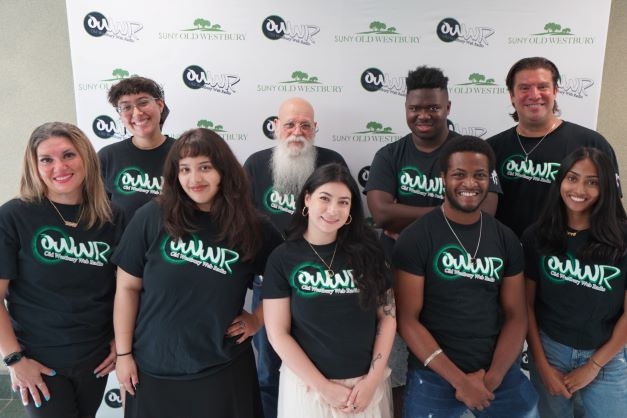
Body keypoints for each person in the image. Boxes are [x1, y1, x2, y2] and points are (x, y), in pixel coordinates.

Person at [112, 128, 282, 418]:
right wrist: (124, 354)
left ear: (223, 171)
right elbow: (127, 289)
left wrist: (257, 319)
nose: (195, 179)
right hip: (154, 365)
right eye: (185, 169)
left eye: (205, 167)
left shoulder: (252, 226)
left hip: (222, 367)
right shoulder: (152, 217)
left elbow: (285, 282)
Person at [364, 65, 501, 416]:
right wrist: (450, 213)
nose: (423, 115)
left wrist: (406, 215)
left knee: (449, 369)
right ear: (406, 109)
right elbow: (380, 213)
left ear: (448, 107)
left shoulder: (470, 153)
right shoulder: (390, 156)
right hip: (396, 279)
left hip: (457, 283)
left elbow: (486, 208)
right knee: (395, 371)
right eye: (415, 108)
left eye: (433, 108)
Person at [393, 136, 538, 417]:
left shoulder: (506, 239)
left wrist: (491, 379)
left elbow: (516, 315)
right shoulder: (416, 238)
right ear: (444, 177)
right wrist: (460, 381)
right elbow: (407, 319)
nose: (470, 184)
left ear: (490, 179)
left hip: (496, 372)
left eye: (480, 175)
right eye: (459, 174)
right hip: (434, 372)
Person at [0, 122, 125, 418]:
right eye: (47, 159)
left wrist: (119, 341)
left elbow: (126, 288)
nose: (59, 167)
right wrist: (15, 359)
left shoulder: (112, 215)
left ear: (85, 158)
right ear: (34, 165)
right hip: (39, 360)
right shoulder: (14, 216)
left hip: (94, 358)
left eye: (69, 155)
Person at [263, 163, 396, 418]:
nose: (333, 210)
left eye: (343, 202)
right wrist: (323, 388)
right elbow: (278, 333)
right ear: (308, 198)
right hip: (307, 389)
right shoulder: (282, 258)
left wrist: (371, 381)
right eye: (325, 198)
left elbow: (388, 318)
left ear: (350, 211)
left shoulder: (371, 253)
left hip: (364, 388)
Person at [243, 97, 347, 418]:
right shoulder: (256, 165)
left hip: (321, 284)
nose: (297, 131)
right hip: (269, 286)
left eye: (305, 125)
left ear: (315, 129)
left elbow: (348, 216)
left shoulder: (332, 162)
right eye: (289, 124)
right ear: (276, 127)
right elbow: (241, 224)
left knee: (322, 365)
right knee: (268, 371)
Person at [522, 147, 627, 418]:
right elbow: (526, 306)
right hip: (549, 351)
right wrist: (542, 366)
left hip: (606, 354)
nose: (579, 189)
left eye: (592, 182)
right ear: (560, 181)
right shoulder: (537, 235)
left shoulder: (622, 239)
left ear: (606, 188)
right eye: (572, 178)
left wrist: (593, 365)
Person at [487, 56, 620, 238]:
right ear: (512, 95)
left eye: (543, 87)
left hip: (565, 260)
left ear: (555, 91)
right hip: (506, 255)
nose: (534, 95)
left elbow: (611, 209)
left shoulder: (592, 144)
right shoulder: (490, 148)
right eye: (524, 88)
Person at [98, 75, 175, 220]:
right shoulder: (107, 157)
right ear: (120, 115)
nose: (137, 113)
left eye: (143, 102)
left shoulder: (184, 153)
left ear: (160, 105)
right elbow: (97, 212)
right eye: (126, 107)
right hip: (124, 242)